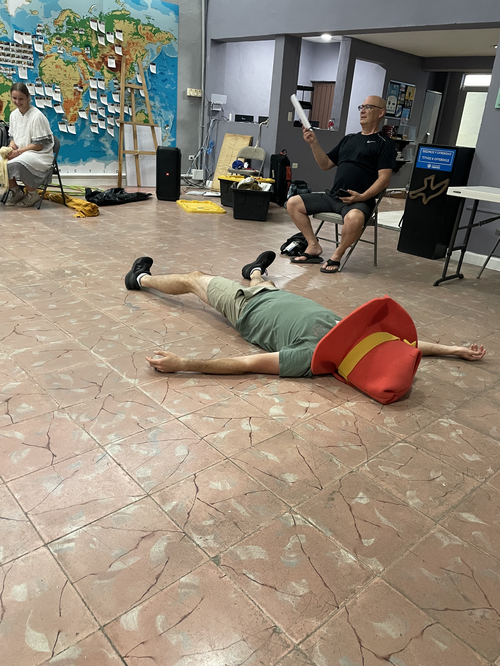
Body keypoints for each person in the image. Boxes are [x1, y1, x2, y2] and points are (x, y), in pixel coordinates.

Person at [124, 253, 486, 403]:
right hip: (277, 297)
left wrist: (183, 363)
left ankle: (140, 279)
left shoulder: (310, 359)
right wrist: (454, 350)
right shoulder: (357, 339)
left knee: (194, 278)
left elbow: (247, 365)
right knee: (263, 281)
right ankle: (254, 271)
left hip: (246, 307)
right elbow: (406, 344)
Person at [286, 95, 396, 274]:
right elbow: (325, 164)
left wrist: (362, 197)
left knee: (354, 219)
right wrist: (314, 143)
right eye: (361, 107)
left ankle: (337, 255)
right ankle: (313, 246)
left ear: (380, 112)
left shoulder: (385, 144)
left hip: (358, 201)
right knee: (293, 203)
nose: (363, 110)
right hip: (333, 196)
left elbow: (384, 179)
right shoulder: (349, 139)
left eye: (368, 107)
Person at [1, 82, 54, 208]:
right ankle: (16, 191)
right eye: (14, 98)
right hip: (22, 151)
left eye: (21, 99)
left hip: (39, 154)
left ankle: (32, 194)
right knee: (2, 160)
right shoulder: (14, 115)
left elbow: (39, 145)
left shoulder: (37, 116)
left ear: (28, 97)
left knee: (18, 163)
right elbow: (13, 137)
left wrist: (18, 152)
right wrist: (12, 147)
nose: (17, 102)